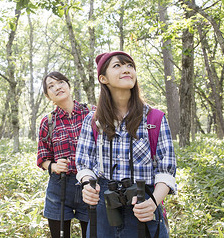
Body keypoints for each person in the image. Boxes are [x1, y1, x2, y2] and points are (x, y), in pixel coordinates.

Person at [75, 51, 177, 238]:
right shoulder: (93, 120)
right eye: (118, 66)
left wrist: (153, 202)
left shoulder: (155, 119)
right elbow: (84, 163)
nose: (126, 70)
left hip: (144, 205)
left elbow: (166, 170)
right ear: (103, 78)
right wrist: (87, 186)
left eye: (130, 65)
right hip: (104, 209)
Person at [37, 71, 93, 238]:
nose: (57, 87)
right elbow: (42, 157)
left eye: (60, 82)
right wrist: (53, 166)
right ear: (48, 96)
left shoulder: (91, 112)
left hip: (90, 185)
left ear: (69, 86)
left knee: (91, 234)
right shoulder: (48, 121)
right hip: (59, 186)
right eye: (51, 86)